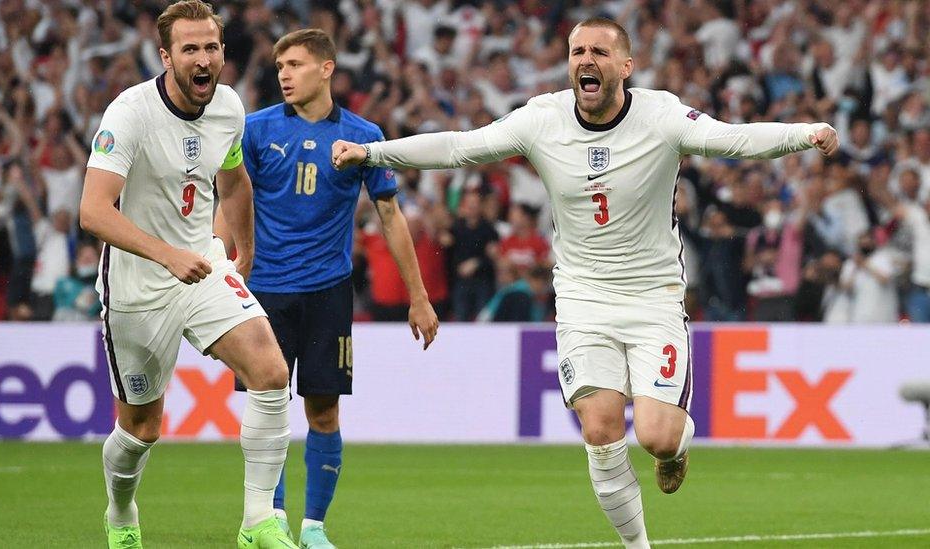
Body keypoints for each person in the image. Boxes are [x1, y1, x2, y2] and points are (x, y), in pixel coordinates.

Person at [332, 17, 839, 548]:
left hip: (654, 297)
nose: (585, 61)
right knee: (600, 431)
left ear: (626, 66)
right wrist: (375, 152)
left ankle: (677, 448)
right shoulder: (542, 119)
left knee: (658, 438)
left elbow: (731, 141)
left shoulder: (661, 115)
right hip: (582, 297)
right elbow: (461, 146)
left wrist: (803, 134)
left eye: (599, 51)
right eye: (577, 51)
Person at [79, 2, 296, 548]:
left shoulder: (228, 106)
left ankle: (258, 521)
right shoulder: (129, 113)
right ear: (166, 56)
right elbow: (94, 211)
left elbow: (234, 180)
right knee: (141, 430)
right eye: (191, 49)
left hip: (203, 268)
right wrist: (165, 255)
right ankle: (121, 513)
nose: (204, 59)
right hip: (137, 288)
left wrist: (242, 247)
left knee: (270, 371)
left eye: (212, 48)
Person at [214, 28, 439, 549]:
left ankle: (313, 527)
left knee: (323, 412)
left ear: (326, 68)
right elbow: (229, 199)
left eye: (294, 65)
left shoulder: (364, 136)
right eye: (280, 68)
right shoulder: (256, 129)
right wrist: (221, 270)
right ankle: (267, 521)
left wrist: (419, 296)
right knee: (267, 407)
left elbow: (390, 215)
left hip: (327, 293)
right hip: (262, 294)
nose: (285, 76)